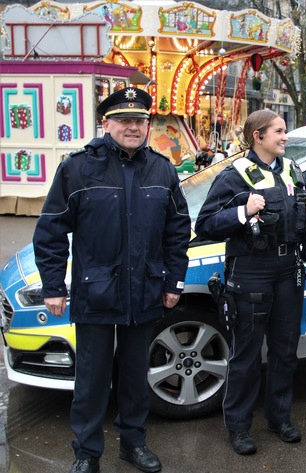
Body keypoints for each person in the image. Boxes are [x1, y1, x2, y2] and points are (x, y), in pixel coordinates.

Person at [32, 87, 191, 473]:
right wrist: (54, 285)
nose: (133, 127)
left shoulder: (162, 168)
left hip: (145, 290)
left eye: (139, 121)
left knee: (135, 377)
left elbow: (177, 230)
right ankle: (87, 452)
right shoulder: (78, 168)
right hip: (95, 292)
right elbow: (51, 230)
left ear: (147, 125)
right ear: (107, 124)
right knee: (92, 379)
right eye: (124, 120)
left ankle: (133, 443)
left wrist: (174, 282)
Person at [195, 109, 306, 456]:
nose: (285, 137)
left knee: (285, 349)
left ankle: (279, 419)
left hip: (288, 269)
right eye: (279, 131)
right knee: (247, 354)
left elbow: (303, 209)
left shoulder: (292, 170)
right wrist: (243, 211)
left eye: (285, 131)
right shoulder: (235, 175)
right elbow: (205, 224)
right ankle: (238, 427)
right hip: (251, 268)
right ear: (258, 136)